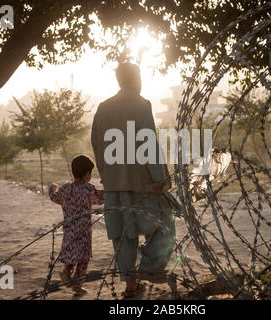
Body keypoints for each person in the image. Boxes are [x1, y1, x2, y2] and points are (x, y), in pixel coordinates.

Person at [91, 62, 176, 297]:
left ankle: (130, 283)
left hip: (114, 185)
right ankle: (149, 268)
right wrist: (160, 179)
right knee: (165, 225)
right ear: (136, 78)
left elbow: (96, 145)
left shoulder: (103, 107)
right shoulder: (141, 105)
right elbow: (148, 143)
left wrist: (108, 175)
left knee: (123, 236)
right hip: (142, 183)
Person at [48, 155, 104, 295]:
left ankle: (67, 272)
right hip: (84, 231)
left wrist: (52, 187)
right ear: (87, 174)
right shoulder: (87, 189)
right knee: (83, 259)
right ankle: (77, 285)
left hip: (69, 230)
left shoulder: (66, 188)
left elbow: (54, 197)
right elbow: (100, 199)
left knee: (72, 254)